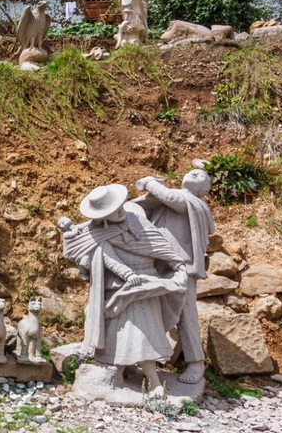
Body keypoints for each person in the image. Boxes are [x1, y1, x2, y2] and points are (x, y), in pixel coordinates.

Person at [62, 184, 187, 395]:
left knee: (146, 333)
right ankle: (122, 374)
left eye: (119, 206)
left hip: (147, 285)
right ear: (102, 217)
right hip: (121, 290)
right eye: (112, 211)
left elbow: (158, 244)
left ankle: (154, 380)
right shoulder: (97, 235)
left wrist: (177, 266)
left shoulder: (136, 218)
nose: (119, 211)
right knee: (123, 336)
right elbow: (106, 259)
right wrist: (128, 275)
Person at [130, 169, 215, 384]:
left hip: (182, 266)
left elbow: (171, 198)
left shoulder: (193, 203)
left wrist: (149, 182)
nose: (192, 174)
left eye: (199, 176)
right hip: (158, 264)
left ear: (203, 190)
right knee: (149, 310)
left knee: (187, 315)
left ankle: (196, 363)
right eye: (192, 172)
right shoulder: (172, 197)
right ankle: (141, 358)